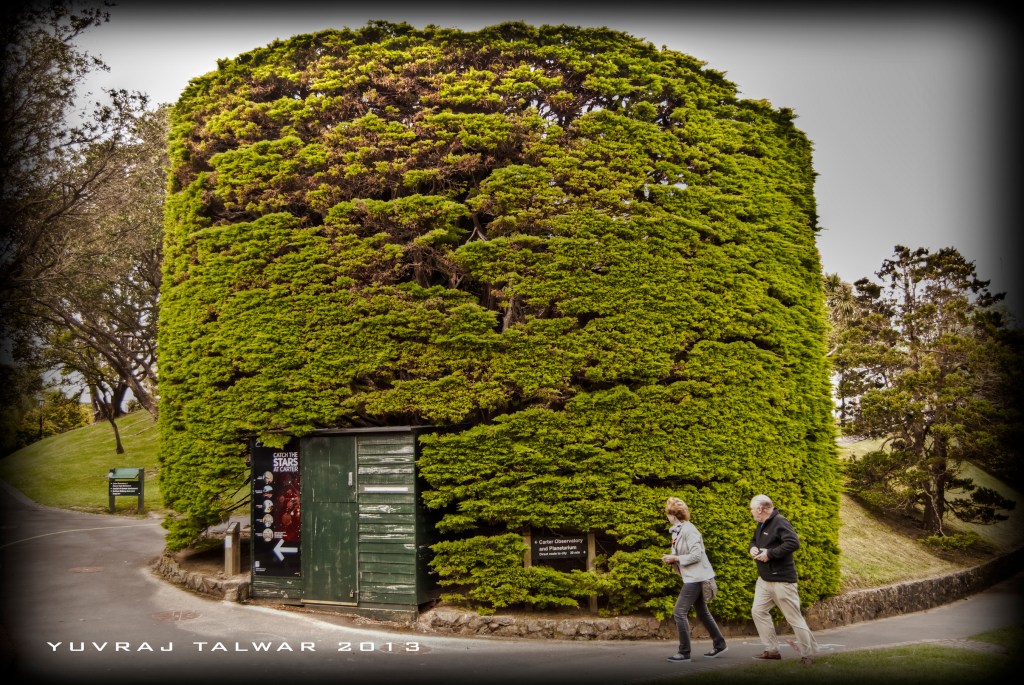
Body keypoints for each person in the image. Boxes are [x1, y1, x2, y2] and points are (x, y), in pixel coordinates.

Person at [748, 494, 820, 665]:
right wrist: (752, 548)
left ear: (760, 509)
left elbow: (793, 543)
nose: (751, 512)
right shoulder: (761, 524)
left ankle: (808, 655)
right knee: (758, 611)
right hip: (764, 580)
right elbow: (753, 540)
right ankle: (772, 651)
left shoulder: (780, 521)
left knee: (794, 617)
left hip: (782, 581)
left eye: (752, 509)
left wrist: (769, 554)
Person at [660, 496, 728, 663]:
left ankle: (684, 653)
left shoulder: (690, 530)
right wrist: (672, 557)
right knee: (702, 612)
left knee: (679, 612)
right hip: (692, 576)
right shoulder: (679, 530)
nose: (667, 517)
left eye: (668, 514)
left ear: (673, 515)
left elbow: (696, 555)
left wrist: (676, 559)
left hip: (696, 578)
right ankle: (719, 644)